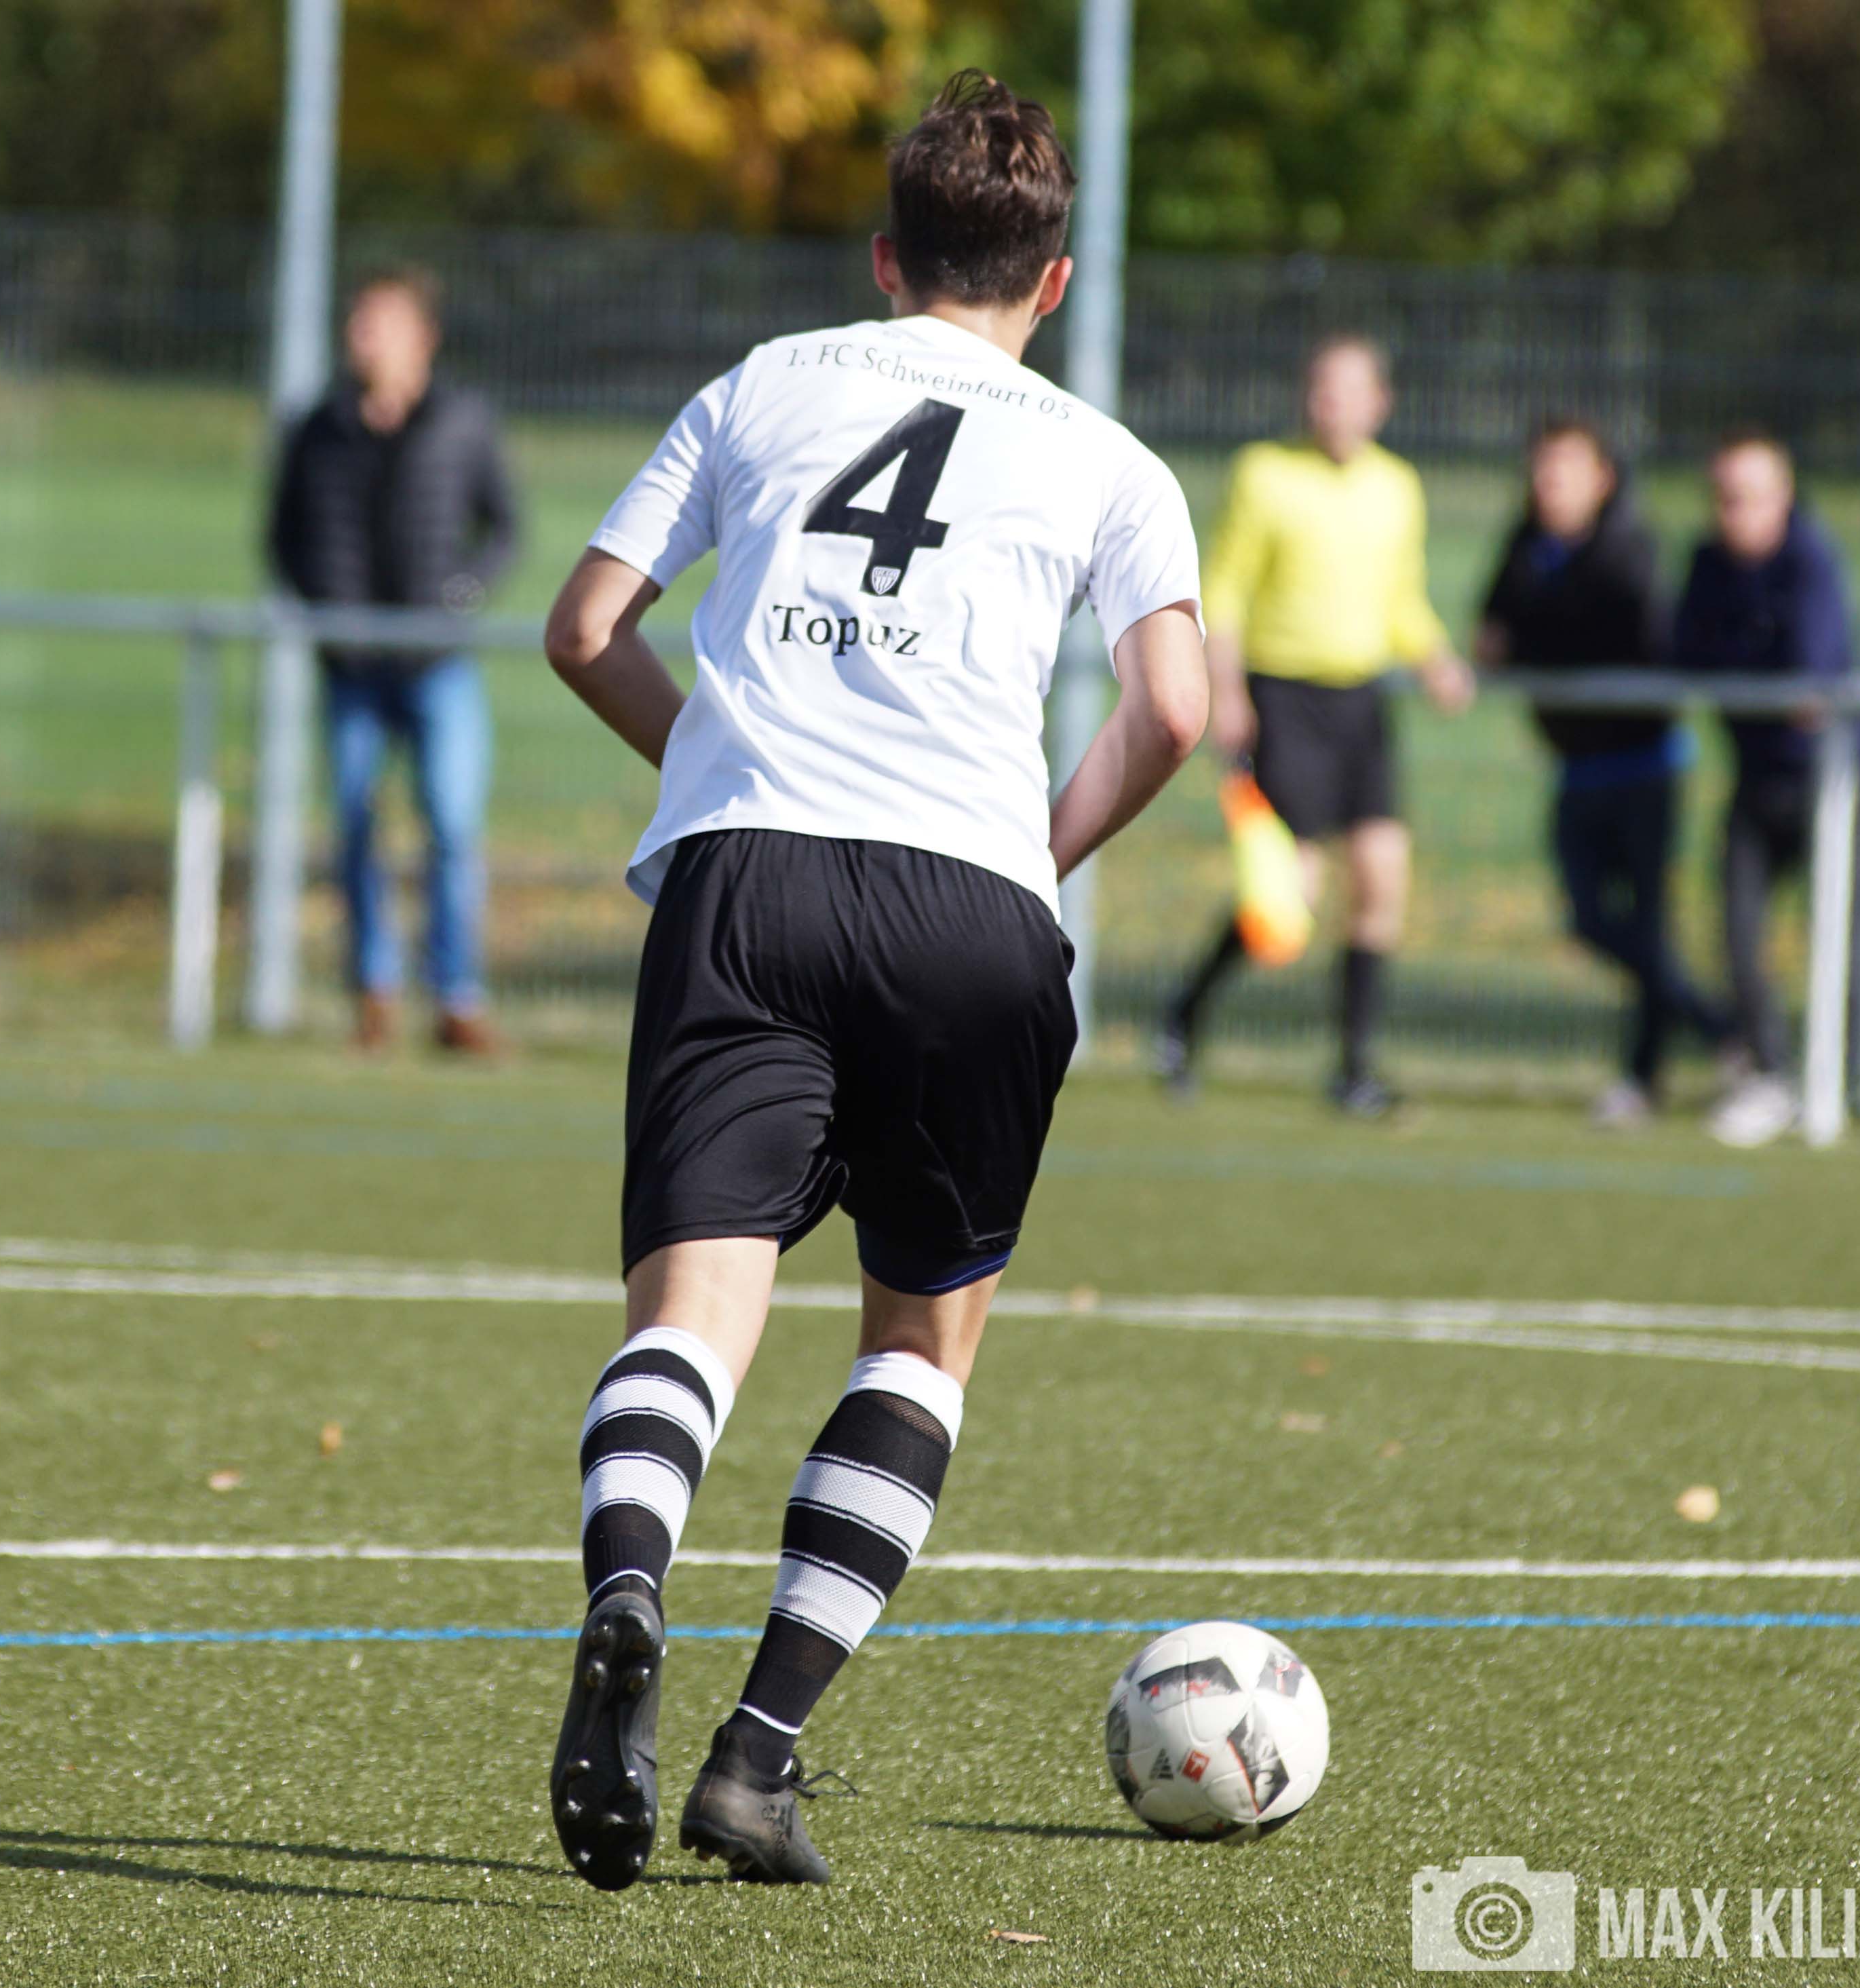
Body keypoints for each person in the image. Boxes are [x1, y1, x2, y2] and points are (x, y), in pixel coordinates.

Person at [539, 73, 1208, 1889]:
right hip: (969, 902)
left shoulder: (761, 383)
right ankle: (753, 1759)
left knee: (690, 1316)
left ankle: (625, 1586)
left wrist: (720, 768)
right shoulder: (1108, 460)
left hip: (747, 874)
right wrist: (1039, 854)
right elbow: (1171, 710)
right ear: (1051, 282)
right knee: (918, 1338)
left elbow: (582, 626)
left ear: (881, 256)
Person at [1152, 336, 1473, 1116]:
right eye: (1321, 386)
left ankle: (1354, 1068)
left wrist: (1435, 659)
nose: (1331, 402)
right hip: (1284, 699)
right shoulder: (1265, 472)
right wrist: (1227, 689)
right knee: (1288, 898)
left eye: (1349, 389)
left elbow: (1400, 599)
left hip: (1361, 702)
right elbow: (1226, 589)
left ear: (1380, 403)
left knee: (1381, 876)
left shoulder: (1397, 486)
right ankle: (1184, 1016)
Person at [267, 268, 520, 1054]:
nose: (362, 337)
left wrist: (460, 596)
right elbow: (282, 536)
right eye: (358, 322)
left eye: (379, 323)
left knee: (452, 825)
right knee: (355, 827)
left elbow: (504, 528)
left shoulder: (463, 420)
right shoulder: (318, 427)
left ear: (422, 337)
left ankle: (456, 997)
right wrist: (327, 611)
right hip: (352, 670)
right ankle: (372, 995)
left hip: (439, 664)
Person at [1475, 419, 1730, 1127]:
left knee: (1647, 924)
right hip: (1576, 767)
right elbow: (1494, 629)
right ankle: (1718, 1029)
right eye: (1541, 468)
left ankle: (1647, 1076)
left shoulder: (1628, 547)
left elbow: (1615, 633)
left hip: (1643, 767)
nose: (1549, 482)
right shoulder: (1526, 545)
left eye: (1565, 468)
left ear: (1602, 479)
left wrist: (1530, 639)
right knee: (1591, 920)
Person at [1675, 430, 1855, 1149]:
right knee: (1738, 929)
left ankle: (1842, 1080)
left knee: (1843, 933)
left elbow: (1811, 673)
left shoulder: (1809, 560)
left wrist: (1773, 679)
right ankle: (1770, 1076)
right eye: (1723, 497)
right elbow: (1685, 653)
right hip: (1756, 777)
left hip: (1830, 781)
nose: (1734, 512)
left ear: (1782, 497)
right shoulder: (1708, 564)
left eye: (1749, 497)